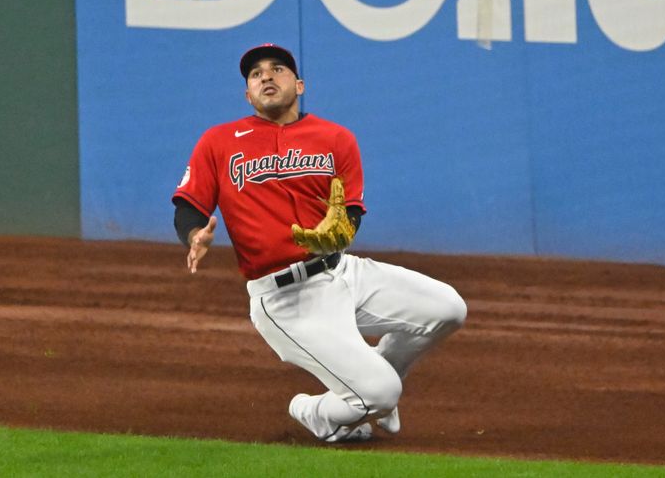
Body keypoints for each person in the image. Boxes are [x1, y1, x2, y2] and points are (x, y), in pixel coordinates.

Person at [172, 44, 467, 442]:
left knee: (448, 308)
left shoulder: (335, 138)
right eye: (256, 74)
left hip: (342, 271)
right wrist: (194, 235)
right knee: (381, 394)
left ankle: (374, 373)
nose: (266, 77)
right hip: (286, 299)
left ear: (299, 84)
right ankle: (314, 411)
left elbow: (351, 212)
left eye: (277, 69)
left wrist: (342, 230)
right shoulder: (219, 142)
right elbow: (189, 205)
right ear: (248, 94)